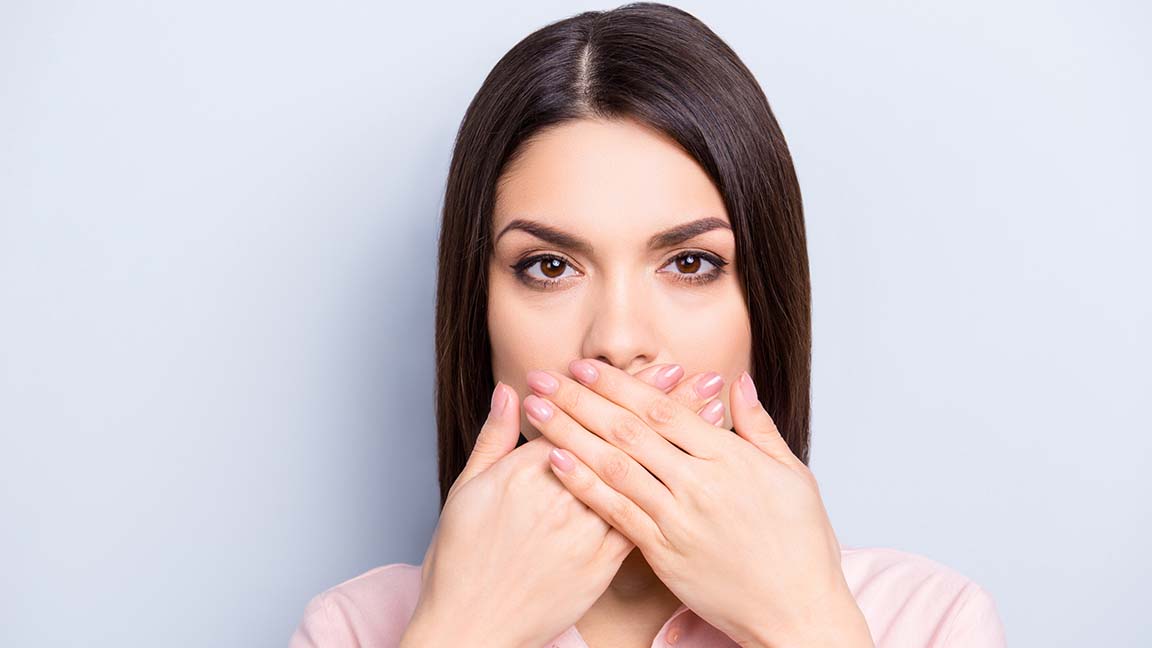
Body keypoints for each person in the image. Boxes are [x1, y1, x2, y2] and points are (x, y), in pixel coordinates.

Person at [289, 3, 1008, 647]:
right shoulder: (355, 630)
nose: (619, 339)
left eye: (690, 263)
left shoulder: (929, 621)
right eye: (548, 266)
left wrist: (801, 624)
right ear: (478, 313)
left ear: (765, 305)